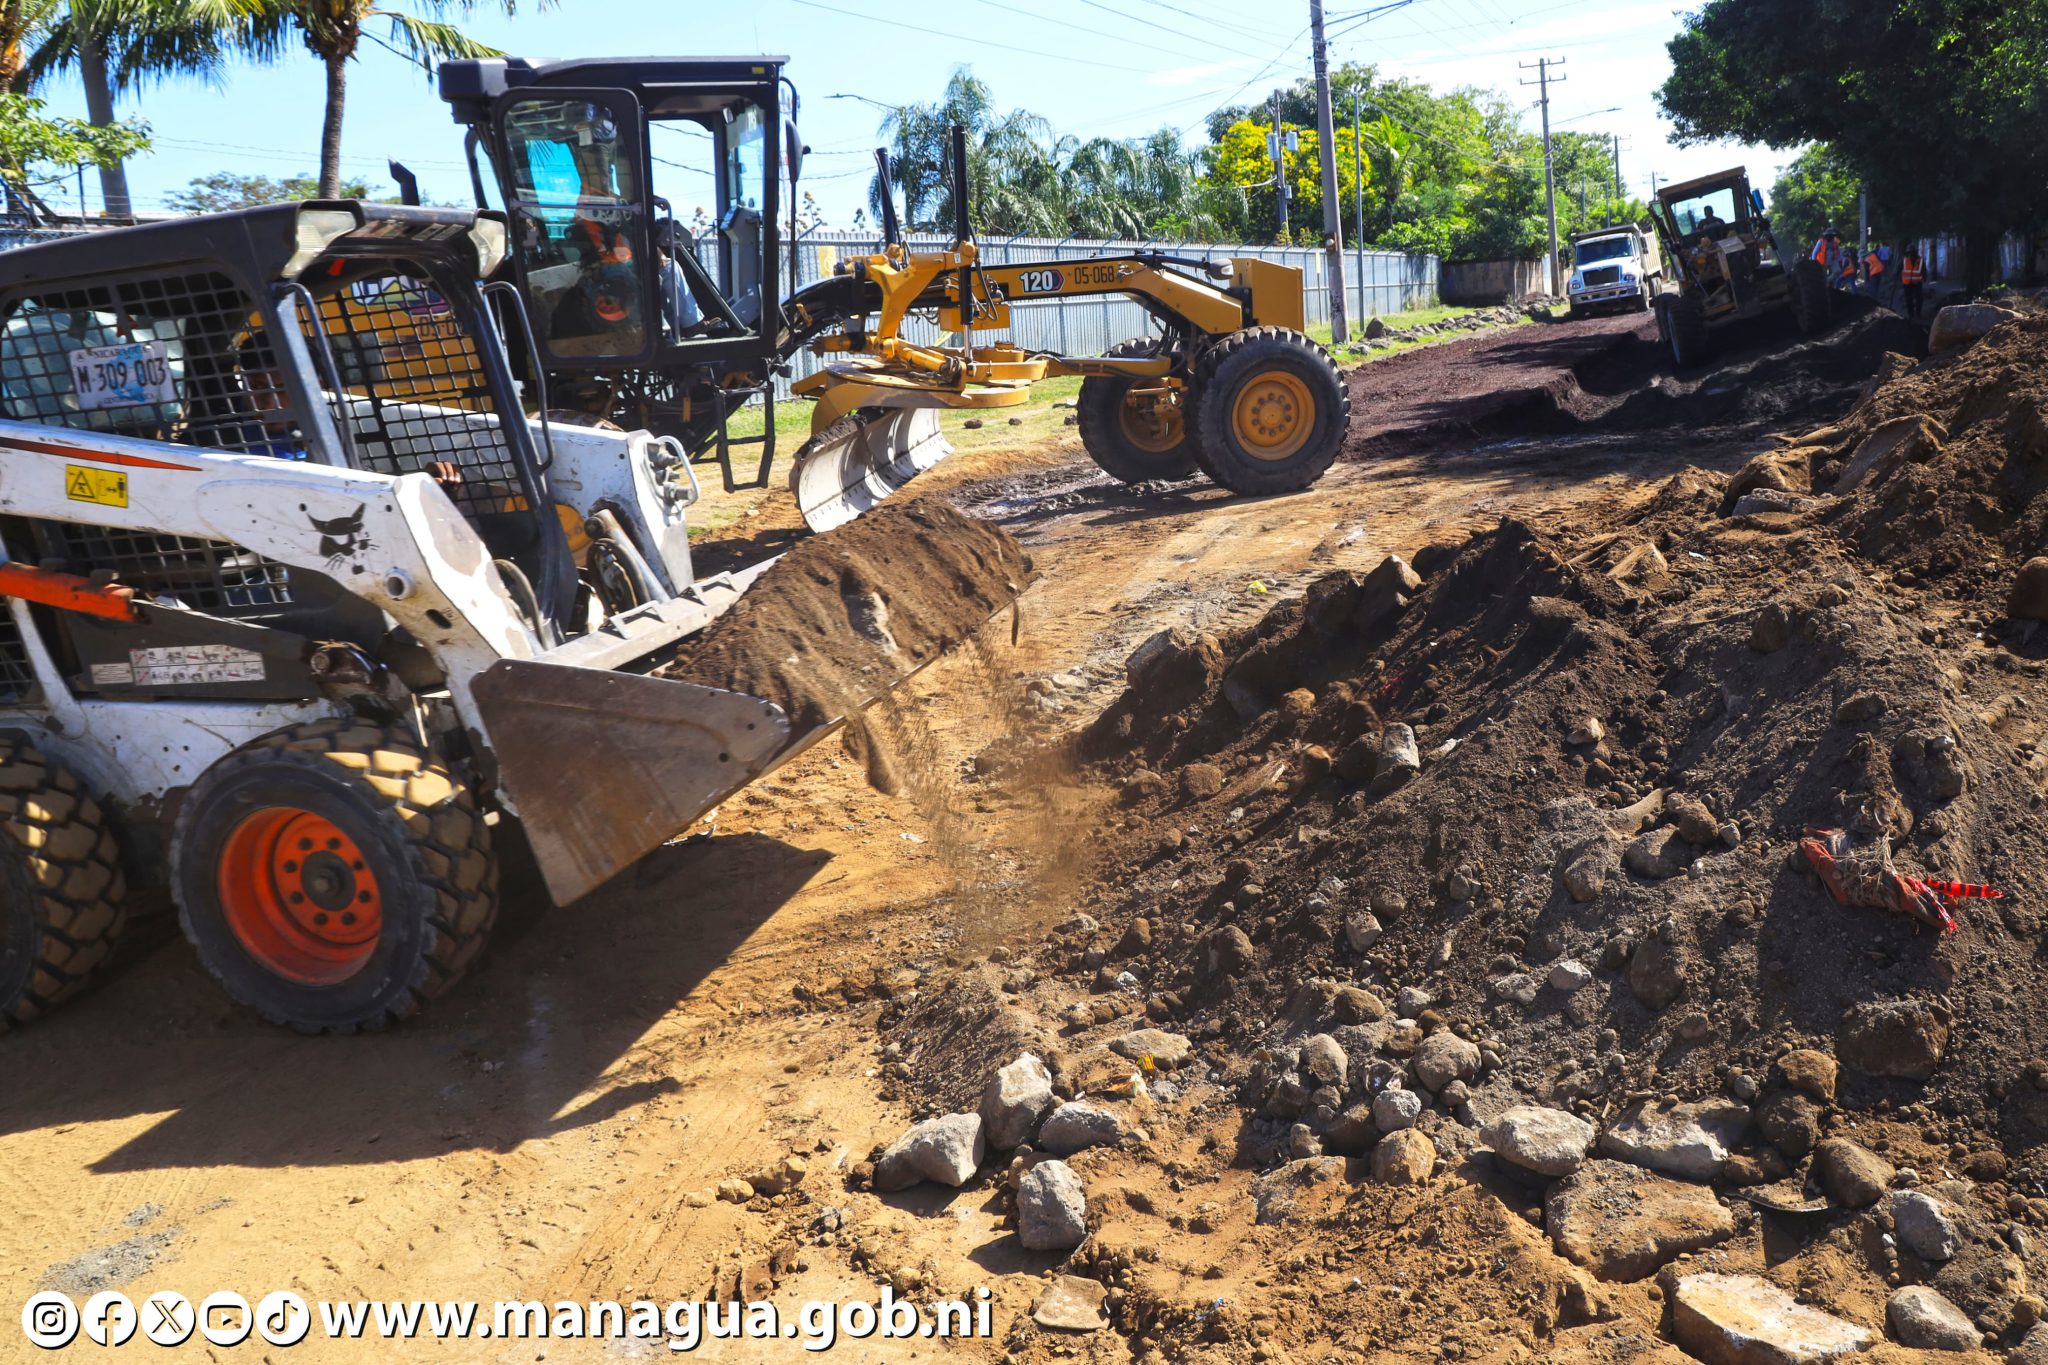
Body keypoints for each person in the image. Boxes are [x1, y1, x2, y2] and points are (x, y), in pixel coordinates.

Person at [1901, 247, 1926, 319]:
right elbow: (1899, 268)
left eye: (1912, 253)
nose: (1910, 255)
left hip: (1917, 282)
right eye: (1909, 253)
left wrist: (1924, 276)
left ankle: (1918, 313)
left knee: (1919, 298)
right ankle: (1911, 313)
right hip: (1907, 283)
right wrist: (1896, 275)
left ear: (1915, 253)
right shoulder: (1904, 260)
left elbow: (1923, 269)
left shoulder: (1920, 260)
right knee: (1908, 299)